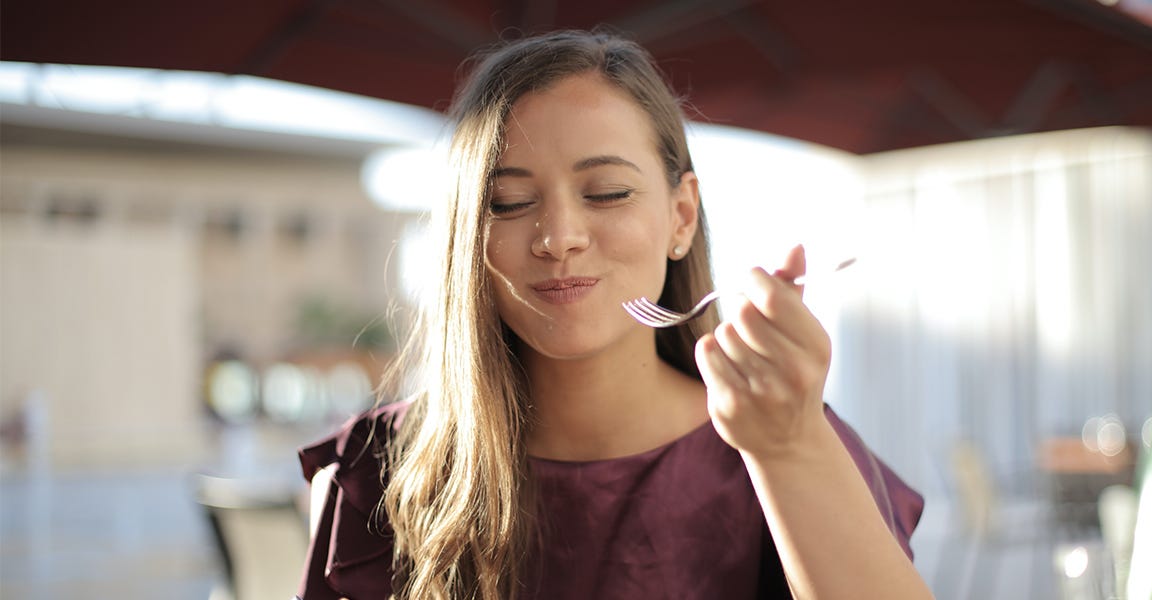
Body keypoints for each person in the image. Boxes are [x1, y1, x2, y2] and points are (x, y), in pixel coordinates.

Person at [296, 29, 931, 600]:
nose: (558, 237)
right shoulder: (384, 468)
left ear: (681, 217)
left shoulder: (781, 437)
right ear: (466, 237)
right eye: (510, 203)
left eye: (607, 193)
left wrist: (789, 450)